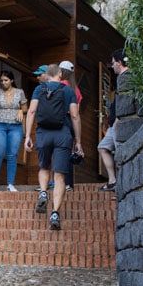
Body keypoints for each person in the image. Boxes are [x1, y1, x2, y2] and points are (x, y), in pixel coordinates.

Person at [24, 63, 83, 231]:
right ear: (59, 75)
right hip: (63, 134)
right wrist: (78, 141)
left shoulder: (39, 89)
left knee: (44, 167)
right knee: (59, 176)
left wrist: (28, 136)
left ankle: (43, 192)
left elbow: (32, 112)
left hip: (43, 133)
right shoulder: (68, 91)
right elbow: (75, 115)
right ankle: (55, 213)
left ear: (47, 75)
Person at [0, 69, 27, 191]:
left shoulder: (19, 92)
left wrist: (21, 110)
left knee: (12, 155)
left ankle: (10, 184)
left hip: (15, 127)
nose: (3, 82)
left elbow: (25, 108)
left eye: (5, 80)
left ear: (11, 80)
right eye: (1, 80)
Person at [98, 49, 127, 191]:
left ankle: (122, 185)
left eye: (113, 62)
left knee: (121, 154)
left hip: (119, 124)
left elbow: (125, 103)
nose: (112, 65)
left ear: (119, 62)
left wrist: (117, 121)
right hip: (113, 124)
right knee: (103, 147)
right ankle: (113, 180)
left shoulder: (127, 77)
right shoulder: (120, 79)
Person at [59, 61, 82, 190]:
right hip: (72, 123)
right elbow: (76, 113)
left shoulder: (60, 86)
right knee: (68, 153)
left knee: (57, 151)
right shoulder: (76, 89)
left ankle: (58, 182)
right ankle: (68, 184)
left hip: (61, 120)